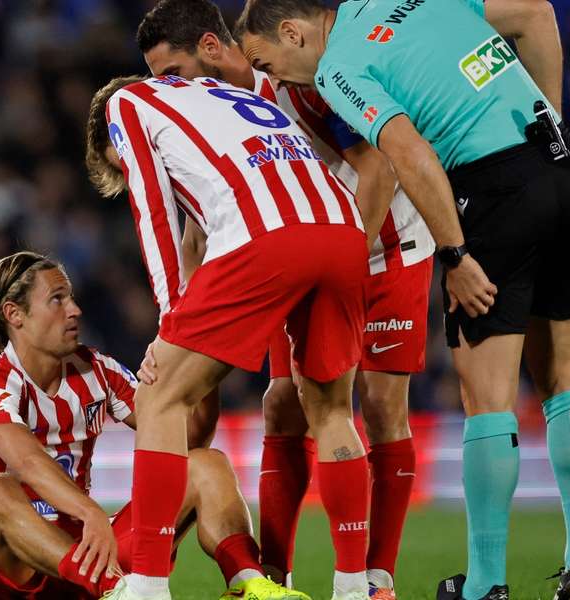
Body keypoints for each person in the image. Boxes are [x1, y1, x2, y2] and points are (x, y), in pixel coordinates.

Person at [233, 1, 570, 599]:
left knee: (487, 398)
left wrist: (455, 255)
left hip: (490, 190)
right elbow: (538, 15)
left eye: (269, 63)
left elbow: (406, 154)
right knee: (562, 382)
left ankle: (485, 586)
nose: (274, 77)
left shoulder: (338, 68)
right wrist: (552, 128)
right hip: (558, 168)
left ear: (293, 31)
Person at [134, 2, 435, 597]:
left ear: (211, 48)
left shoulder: (301, 80)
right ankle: (274, 576)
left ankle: (375, 578)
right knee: (282, 404)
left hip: (385, 244)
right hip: (294, 254)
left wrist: (345, 269)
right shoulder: (213, 110)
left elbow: (379, 170)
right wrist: (184, 335)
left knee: (378, 407)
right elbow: (196, 232)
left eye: (172, 72)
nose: (167, 88)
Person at [86, 72, 370, 600]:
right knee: (331, 411)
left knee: (158, 396)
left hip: (264, 232)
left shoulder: (126, 102)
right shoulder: (225, 96)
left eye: (119, 163)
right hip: (343, 226)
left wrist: (170, 317)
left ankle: (147, 584)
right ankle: (355, 587)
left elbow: (153, 211)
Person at [0, 251, 309, 600]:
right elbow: (27, 460)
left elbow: (188, 438)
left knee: (205, 464)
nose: (74, 310)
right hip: (7, 574)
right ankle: (117, 590)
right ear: (14, 314)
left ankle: (247, 583)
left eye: (71, 297)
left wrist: (197, 361)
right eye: (57, 299)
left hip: (84, 553)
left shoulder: (96, 370)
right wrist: (89, 510)